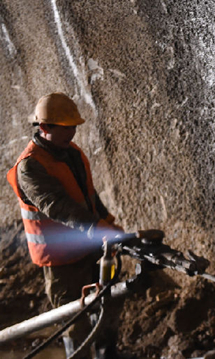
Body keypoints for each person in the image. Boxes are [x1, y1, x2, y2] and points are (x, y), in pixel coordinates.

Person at [6, 92, 122, 358]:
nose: (72, 133)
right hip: (61, 261)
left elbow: (87, 196)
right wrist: (98, 228)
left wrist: (106, 221)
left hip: (91, 248)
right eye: (65, 127)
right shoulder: (30, 166)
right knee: (74, 321)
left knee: (107, 304)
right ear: (44, 128)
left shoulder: (71, 152)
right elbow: (56, 205)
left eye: (74, 127)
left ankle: (108, 356)